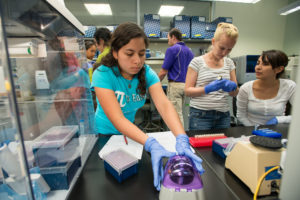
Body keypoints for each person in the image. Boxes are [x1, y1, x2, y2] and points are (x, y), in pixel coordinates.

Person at [91, 22, 204, 191]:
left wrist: (181, 137)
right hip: (103, 135)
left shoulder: (146, 73)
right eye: (129, 54)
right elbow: (117, 118)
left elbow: (164, 105)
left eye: (142, 54)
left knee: (134, 183)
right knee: (111, 185)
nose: (137, 61)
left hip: (129, 134)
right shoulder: (103, 74)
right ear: (115, 52)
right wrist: (150, 143)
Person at [185, 23, 239, 130]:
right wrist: (207, 89)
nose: (225, 53)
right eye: (222, 48)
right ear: (213, 42)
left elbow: (234, 93)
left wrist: (233, 88)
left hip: (223, 116)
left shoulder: (229, 63)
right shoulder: (197, 62)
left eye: (229, 49)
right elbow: (187, 91)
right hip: (200, 116)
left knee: (221, 146)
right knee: (201, 146)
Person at [236, 50, 296, 126]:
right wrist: (255, 130)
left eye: (265, 64)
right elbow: (241, 116)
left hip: (277, 130)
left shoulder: (290, 86)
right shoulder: (245, 88)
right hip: (251, 129)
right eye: (258, 63)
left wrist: (279, 120)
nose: (258, 67)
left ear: (279, 69)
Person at [158, 28, 194, 126]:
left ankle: (178, 139)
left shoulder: (172, 49)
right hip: (187, 86)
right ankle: (185, 136)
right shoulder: (190, 52)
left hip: (176, 86)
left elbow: (163, 72)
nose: (168, 41)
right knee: (184, 114)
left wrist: (154, 84)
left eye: (168, 38)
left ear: (173, 37)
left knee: (175, 115)